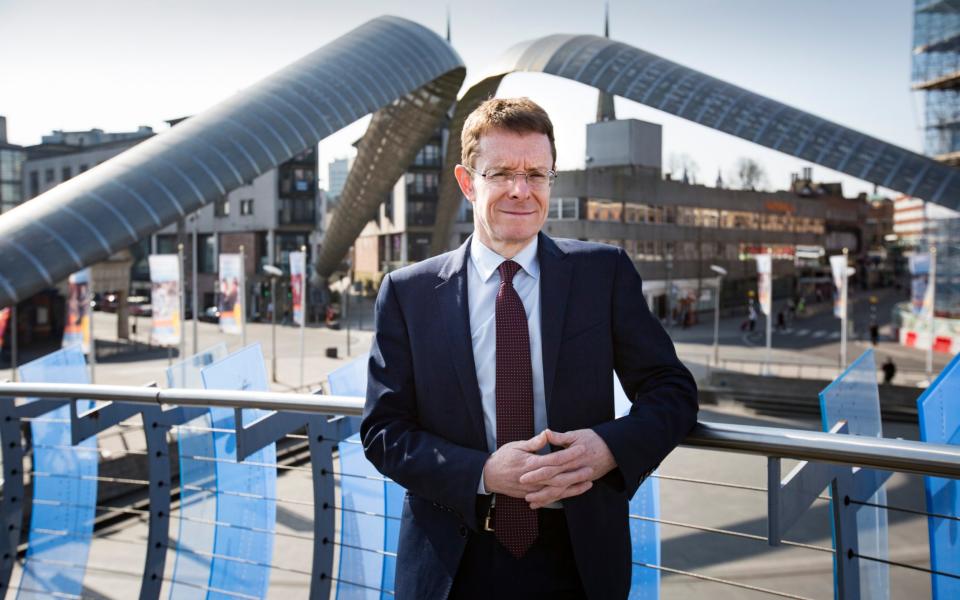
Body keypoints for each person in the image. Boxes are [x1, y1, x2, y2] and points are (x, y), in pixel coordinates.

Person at [361, 98, 698, 600]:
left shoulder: (602, 274)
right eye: (502, 173)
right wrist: (482, 473)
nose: (522, 190)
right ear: (467, 181)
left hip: (578, 560)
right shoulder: (409, 293)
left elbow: (671, 391)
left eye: (537, 174)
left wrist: (608, 449)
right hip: (453, 562)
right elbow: (383, 431)